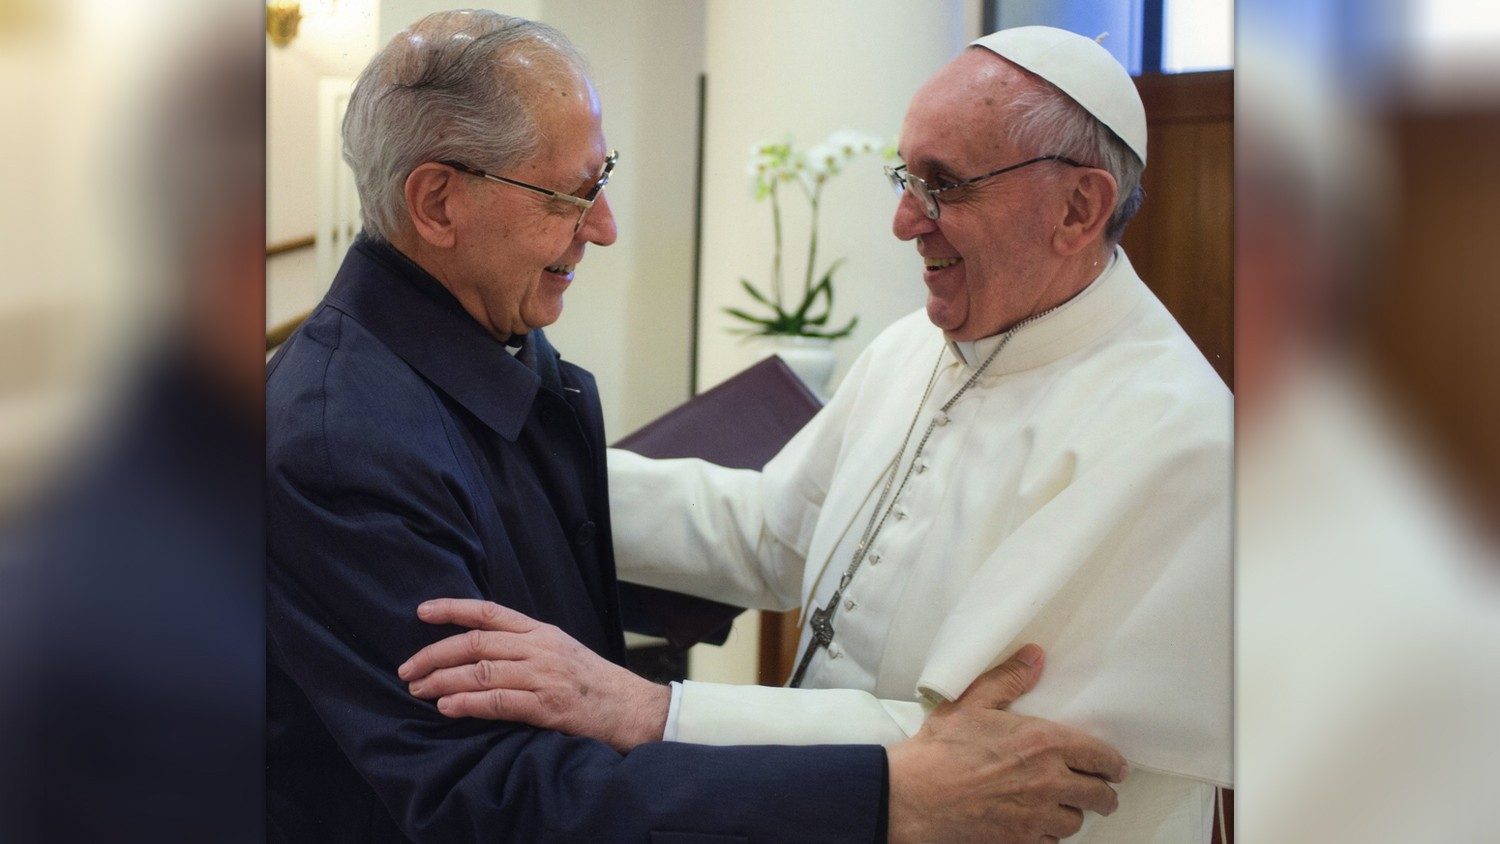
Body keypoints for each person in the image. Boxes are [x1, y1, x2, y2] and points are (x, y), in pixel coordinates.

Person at [266, 11, 1127, 843]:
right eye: (570, 193)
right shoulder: (343, 442)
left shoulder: (491, 333)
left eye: (601, 179)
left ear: (1080, 209)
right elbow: (488, 796)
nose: (603, 228)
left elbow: (746, 533)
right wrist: (880, 798)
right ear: (439, 204)